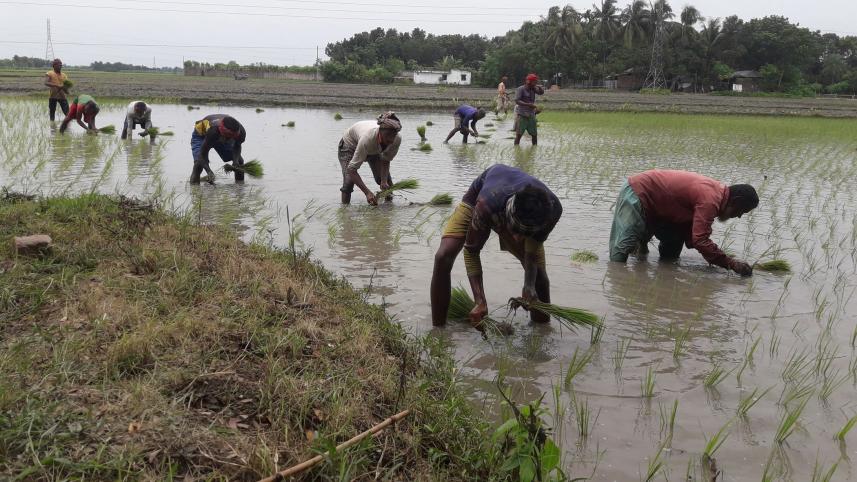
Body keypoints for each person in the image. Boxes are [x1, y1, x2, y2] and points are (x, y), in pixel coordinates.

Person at [430, 164, 563, 331]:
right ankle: (438, 331)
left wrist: (528, 285)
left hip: (511, 209)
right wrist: (480, 301)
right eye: (515, 231)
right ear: (508, 217)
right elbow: (471, 251)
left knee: (539, 279)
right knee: (443, 256)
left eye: (524, 235)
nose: (516, 239)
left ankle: (541, 334)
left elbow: (531, 252)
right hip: (483, 198)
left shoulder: (552, 210)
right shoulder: (485, 205)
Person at [608, 169, 758, 276]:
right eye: (742, 211)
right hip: (639, 191)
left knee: (672, 248)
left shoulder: (715, 196)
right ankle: (616, 284)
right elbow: (700, 240)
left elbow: (693, 238)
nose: (739, 216)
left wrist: (718, 256)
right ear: (736, 201)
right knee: (622, 249)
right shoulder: (710, 199)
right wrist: (731, 263)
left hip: (663, 207)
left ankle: (661, 277)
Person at [338, 112, 402, 205]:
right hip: (350, 145)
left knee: (385, 181)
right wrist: (367, 193)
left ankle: (389, 208)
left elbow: (386, 160)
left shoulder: (397, 139)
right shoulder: (368, 139)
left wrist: (384, 181)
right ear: (380, 131)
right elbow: (352, 170)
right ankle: (344, 210)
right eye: (388, 135)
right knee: (349, 181)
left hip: (373, 147)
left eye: (394, 135)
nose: (391, 140)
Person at [190, 114, 246, 184]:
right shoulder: (213, 131)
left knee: (240, 162)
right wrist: (209, 172)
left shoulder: (241, 133)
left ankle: (239, 186)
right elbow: (202, 155)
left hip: (219, 135)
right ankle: (195, 188)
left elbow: (237, 146)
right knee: (198, 164)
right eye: (227, 138)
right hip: (201, 136)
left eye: (231, 138)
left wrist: (235, 161)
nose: (228, 140)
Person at [514, 73, 545, 146]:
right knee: (519, 136)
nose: (535, 84)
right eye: (534, 82)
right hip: (522, 115)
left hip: (531, 115)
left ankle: (534, 149)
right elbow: (517, 100)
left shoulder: (533, 89)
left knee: (534, 135)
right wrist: (528, 104)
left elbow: (541, 93)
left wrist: (539, 87)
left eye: (536, 82)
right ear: (528, 82)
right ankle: (516, 149)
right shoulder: (521, 89)